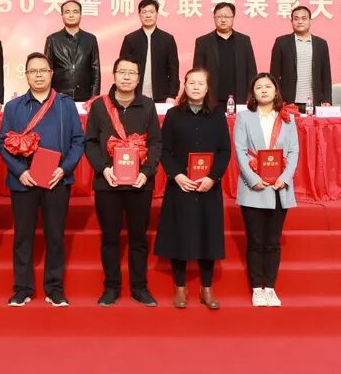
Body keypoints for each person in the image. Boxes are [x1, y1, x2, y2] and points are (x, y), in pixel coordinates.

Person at [0, 52, 86, 307]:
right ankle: (22, 288)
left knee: (55, 235)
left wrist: (65, 169)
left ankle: (55, 288)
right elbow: (3, 143)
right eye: (33, 71)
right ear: (26, 75)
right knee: (23, 236)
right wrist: (19, 171)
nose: (38, 75)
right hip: (24, 180)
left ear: (51, 74)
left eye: (43, 70)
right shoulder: (13, 107)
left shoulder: (65, 105)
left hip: (56, 179)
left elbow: (78, 140)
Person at [84, 57, 162, 307]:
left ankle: (139, 287)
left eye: (132, 73)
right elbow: (90, 143)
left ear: (138, 78)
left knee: (139, 238)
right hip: (108, 183)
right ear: (114, 75)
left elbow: (155, 143)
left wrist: (147, 172)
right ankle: (111, 287)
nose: (127, 77)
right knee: (110, 238)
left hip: (140, 183)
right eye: (122, 72)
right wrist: (103, 168)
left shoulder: (147, 105)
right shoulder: (99, 106)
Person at [154, 67, 231, 310]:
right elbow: (165, 150)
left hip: (208, 187)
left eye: (201, 83)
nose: (196, 87)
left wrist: (213, 177)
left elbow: (224, 151)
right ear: (184, 86)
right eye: (191, 83)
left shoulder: (217, 115)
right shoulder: (174, 115)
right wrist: (176, 175)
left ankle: (206, 288)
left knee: (209, 236)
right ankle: (180, 287)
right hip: (181, 186)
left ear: (207, 88)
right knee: (180, 235)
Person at [233, 73, 300, 308]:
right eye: (258, 87)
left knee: (272, 241)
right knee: (255, 240)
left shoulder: (287, 118)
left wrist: (285, 178)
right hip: (254, 188)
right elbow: (240, 151)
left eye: (268, 86)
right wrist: (253, 179)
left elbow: (293, 152)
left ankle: (270, 288)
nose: (263, 90)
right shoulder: (244, 117)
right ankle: (256, 289)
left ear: (275, 91)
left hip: (279, 188)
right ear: (253, 93)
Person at [269, 5, 333, 110]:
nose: (300, 22)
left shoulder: (321, 44)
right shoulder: (281, 42)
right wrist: (276, 99)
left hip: (314, 102)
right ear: (291, 21)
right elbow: (274, 75)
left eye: (304, 18)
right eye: (296, 19)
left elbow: (326, 75)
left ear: (310, 21)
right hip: (288, 102)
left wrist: (327, 100)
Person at [193, 2, 257, 105]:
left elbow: (251, 70)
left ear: (233, 18)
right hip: (211, 98)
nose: (223, 20)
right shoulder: (203, 42)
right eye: (219, 16)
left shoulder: (244, 40)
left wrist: (251, 95)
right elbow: (197, 72)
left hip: (239, 97)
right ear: (214, 18)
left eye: (227, 16)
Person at [119, 0, 179, 102]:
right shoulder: (130, 39)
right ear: (139, 14)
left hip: (162, 96)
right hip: (134, 95)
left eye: (151, 12)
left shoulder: (167, 39)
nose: (148, 15)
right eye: (144, 12)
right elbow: (122, 68)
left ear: (157, 14)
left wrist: (172, 95)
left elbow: (174, 69)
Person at [44, 0, 101, 101]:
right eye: (67, 12)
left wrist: (94, 99)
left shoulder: (90, 39)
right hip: (59, 98)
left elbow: (95, 71)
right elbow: (47, 71)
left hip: (85, 98)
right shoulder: (52, 39)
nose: (71, 15)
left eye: (75, 12)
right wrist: (48, 98)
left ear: (80, 15)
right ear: (62, 15)